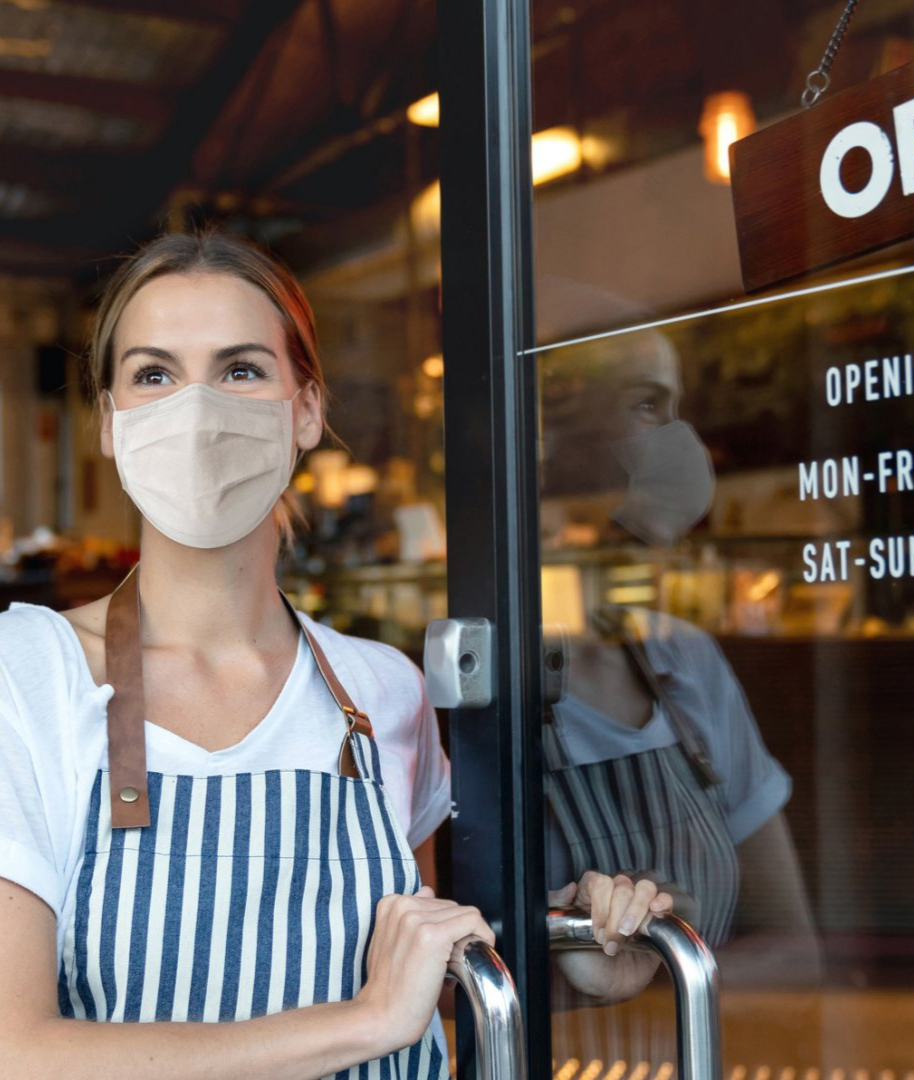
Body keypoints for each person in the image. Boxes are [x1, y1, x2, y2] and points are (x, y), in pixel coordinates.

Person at [0, 231, 673, 1078]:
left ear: (307, 410)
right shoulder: (26, 674)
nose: (197, 410)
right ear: (107, 421)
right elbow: (17, 1052)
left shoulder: (381, 690)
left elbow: (418, 977)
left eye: (241, 369)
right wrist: (360, 1024)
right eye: (154, 374)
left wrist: (576, 950)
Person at [538, 308, 820, 1067]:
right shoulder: (472, 689)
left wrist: (667, 953)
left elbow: (797, 951)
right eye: (645, 405)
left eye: (674, 408)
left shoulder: (683, 659)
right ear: (554, 437)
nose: (678, 441)